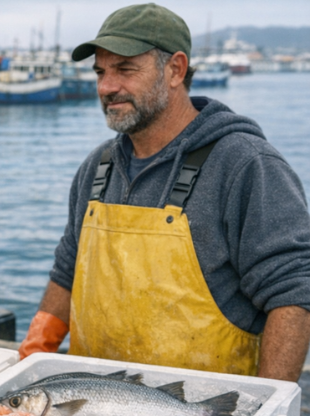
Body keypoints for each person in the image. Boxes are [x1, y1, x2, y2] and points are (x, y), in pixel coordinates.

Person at [18, 3, 310, 381]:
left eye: (125, 69)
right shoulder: (98, 167)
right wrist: (30, 361)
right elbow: (67, 270)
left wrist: (268, 411)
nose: (107, 87)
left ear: (175, 69)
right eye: (100, 72)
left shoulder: (245, 165)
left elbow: (292, 294)